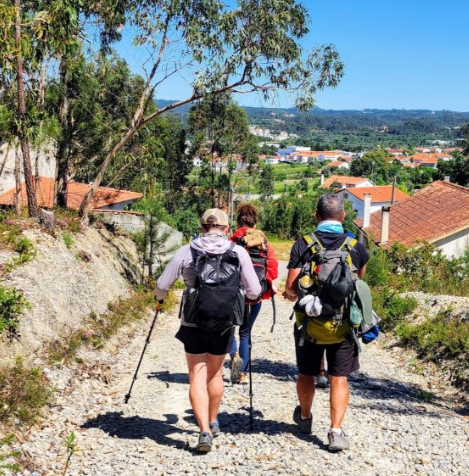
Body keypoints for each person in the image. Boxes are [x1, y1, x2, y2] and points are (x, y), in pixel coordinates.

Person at [155, 208, 261, 453]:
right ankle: (213, 421)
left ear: (202, 227)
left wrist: (158, 298)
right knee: (214, 375)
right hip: (223, 323)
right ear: (227, 230)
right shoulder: (238, 252)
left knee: (196, 376)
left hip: (193, 322)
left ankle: (203, 431)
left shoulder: (187, 250)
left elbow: (162, 284)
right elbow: (254, 291)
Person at [282, 193, 369, 452]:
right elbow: (359, 284)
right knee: (339, 378)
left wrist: (294, 295)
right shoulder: (356, 246)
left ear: (316, 216)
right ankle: (335, 431)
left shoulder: (304, 244)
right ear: (343, 216)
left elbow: (290, 287)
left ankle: (306, 418)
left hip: (309, 325)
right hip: (344, 327)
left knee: (306, 373)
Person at [227, 203, 279, 385]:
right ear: (255, 223)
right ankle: (242, 374)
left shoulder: (232, 241)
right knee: (246, 333)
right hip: (255, 297)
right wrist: (265, 289)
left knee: (229, 329)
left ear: (238, 221)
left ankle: (233, 356)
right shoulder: (264, 243)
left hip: (233, 295)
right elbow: (272, 270)